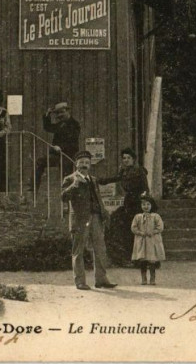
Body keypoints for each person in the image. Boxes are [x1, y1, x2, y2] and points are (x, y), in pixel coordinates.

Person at [61, 150, 117, 291]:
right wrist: (75, 184)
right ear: (76, 164)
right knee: (78, 250)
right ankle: (80, 282)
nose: (84, 165)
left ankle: (101, 280)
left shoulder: (93, 179)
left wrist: (104, 213)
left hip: (96, 218)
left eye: (87, 162)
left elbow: (98, 198)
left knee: (100, 249)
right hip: (79, 220)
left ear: (90, 165)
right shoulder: (69, 179)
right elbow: (63, 197)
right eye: (81, 163)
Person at [98, 147, 150, 265]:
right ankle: (124, 257)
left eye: (128, 158)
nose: (126, 160)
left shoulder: (140, 171)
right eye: (124, 158)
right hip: (128, 202)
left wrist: (144, 204)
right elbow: (113, 179)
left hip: (138, 203)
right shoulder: (123, 171)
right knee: (118, 224)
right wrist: (99, 180)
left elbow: (146, 189)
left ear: (134, 159)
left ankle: (141, 259)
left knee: (135, 230)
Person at [35, 102, 80, 190]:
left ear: (67, 111)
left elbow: (72, 141)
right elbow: (48, 127)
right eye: (57, 113)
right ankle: (33, 188)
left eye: (62, 112)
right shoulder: (60, 124)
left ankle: (67, 191)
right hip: (57, 155)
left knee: (66, 170)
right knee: (40, 162)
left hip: (69, 155)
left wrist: (61, 148)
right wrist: (47, 115)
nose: (59, 115)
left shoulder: (74, 124)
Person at [131, 195, 165, 285]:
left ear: (152, 205)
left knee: (152, 260)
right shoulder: (137, 217)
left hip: (152, 241)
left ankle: (152, 279)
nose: (145, 206)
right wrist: (140, 232)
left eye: (148, 204)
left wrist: (153, 231)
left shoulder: (156, 216)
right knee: (143, 260)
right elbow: (133, 227)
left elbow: (160, 227)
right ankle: (144, 278)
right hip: (142, 241)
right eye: (143, 204)